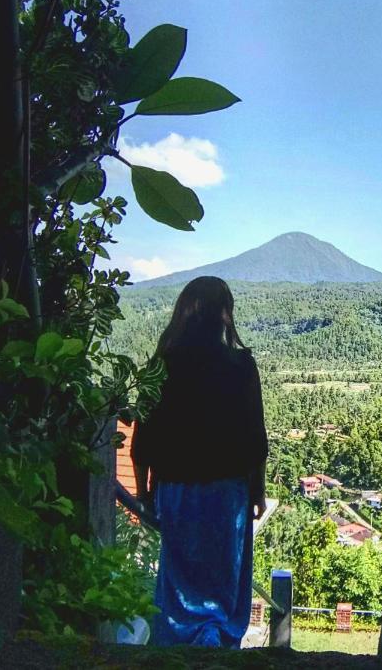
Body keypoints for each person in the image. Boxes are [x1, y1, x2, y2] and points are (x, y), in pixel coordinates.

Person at [131, 276, 268, 648]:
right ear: (225, 314)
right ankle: (219, 647)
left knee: (180, 583)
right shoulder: (240, 365)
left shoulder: (161, 365)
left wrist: (144, 493)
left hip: (176, 490)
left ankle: (177, 650)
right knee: (225, 583)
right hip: (228, 494)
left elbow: (143, 441)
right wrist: (257, 491)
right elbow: (255, 438)